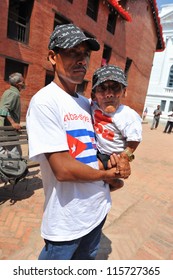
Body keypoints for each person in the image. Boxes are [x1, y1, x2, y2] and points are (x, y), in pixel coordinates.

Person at [26, 23, 131, 260]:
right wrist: (109, 176)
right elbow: (62, 170)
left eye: (84, 54)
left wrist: (123, 160)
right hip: (66, 221)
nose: (81, 60)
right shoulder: (45, 102)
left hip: (96, 211)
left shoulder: (86, 104)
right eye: (73, 52)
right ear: (53, 57)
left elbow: (104, 148)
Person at [91, 65, 142, 190]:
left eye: (115, 88)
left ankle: (115, 183)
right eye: (102, 88)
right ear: (94, 95)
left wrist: (124, 158)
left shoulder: (128, 115)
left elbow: (134, 140)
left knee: (95, 170)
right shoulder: (92, 105)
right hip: (98, 152)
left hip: (113, 156)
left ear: (124, 92)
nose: (109, 94)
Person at [0, 72, 25, 155]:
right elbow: (3, 109)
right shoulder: (13, 94)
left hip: (5, 131)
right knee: (16, 155)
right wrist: (13, 123)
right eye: (22, 82)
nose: (24, 84)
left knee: (6, 155)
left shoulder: (10, 92)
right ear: (17, 84)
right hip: (8, 131)